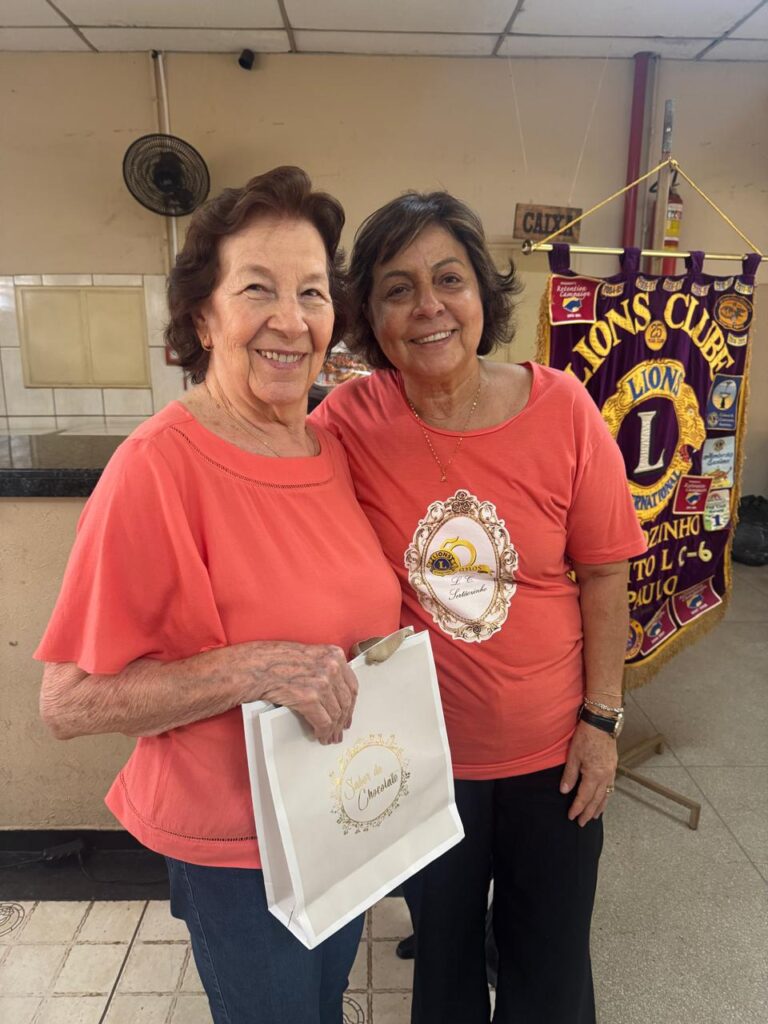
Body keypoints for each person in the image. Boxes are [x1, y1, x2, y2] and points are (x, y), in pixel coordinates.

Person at [35, 166, 402, 1024]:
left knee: (323, 1006)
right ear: (203, 317)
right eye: (257, 289)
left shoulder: (327, 449)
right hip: (241, 854)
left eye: (311, 293)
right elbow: (68, 702)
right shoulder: (159, 466)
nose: (290, 319)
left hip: (337, 812)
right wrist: (256, 668)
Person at [312, 190, 647, 1024]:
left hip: (556, 757)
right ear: (370, 317)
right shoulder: (348, 422)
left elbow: (606, 575)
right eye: (397, 288)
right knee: (446, 970)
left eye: (449, 279)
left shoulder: (563, 410)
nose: (428, 306)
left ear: (482, 295)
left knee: (552, 973)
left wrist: (602, 722)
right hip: (423, 762)